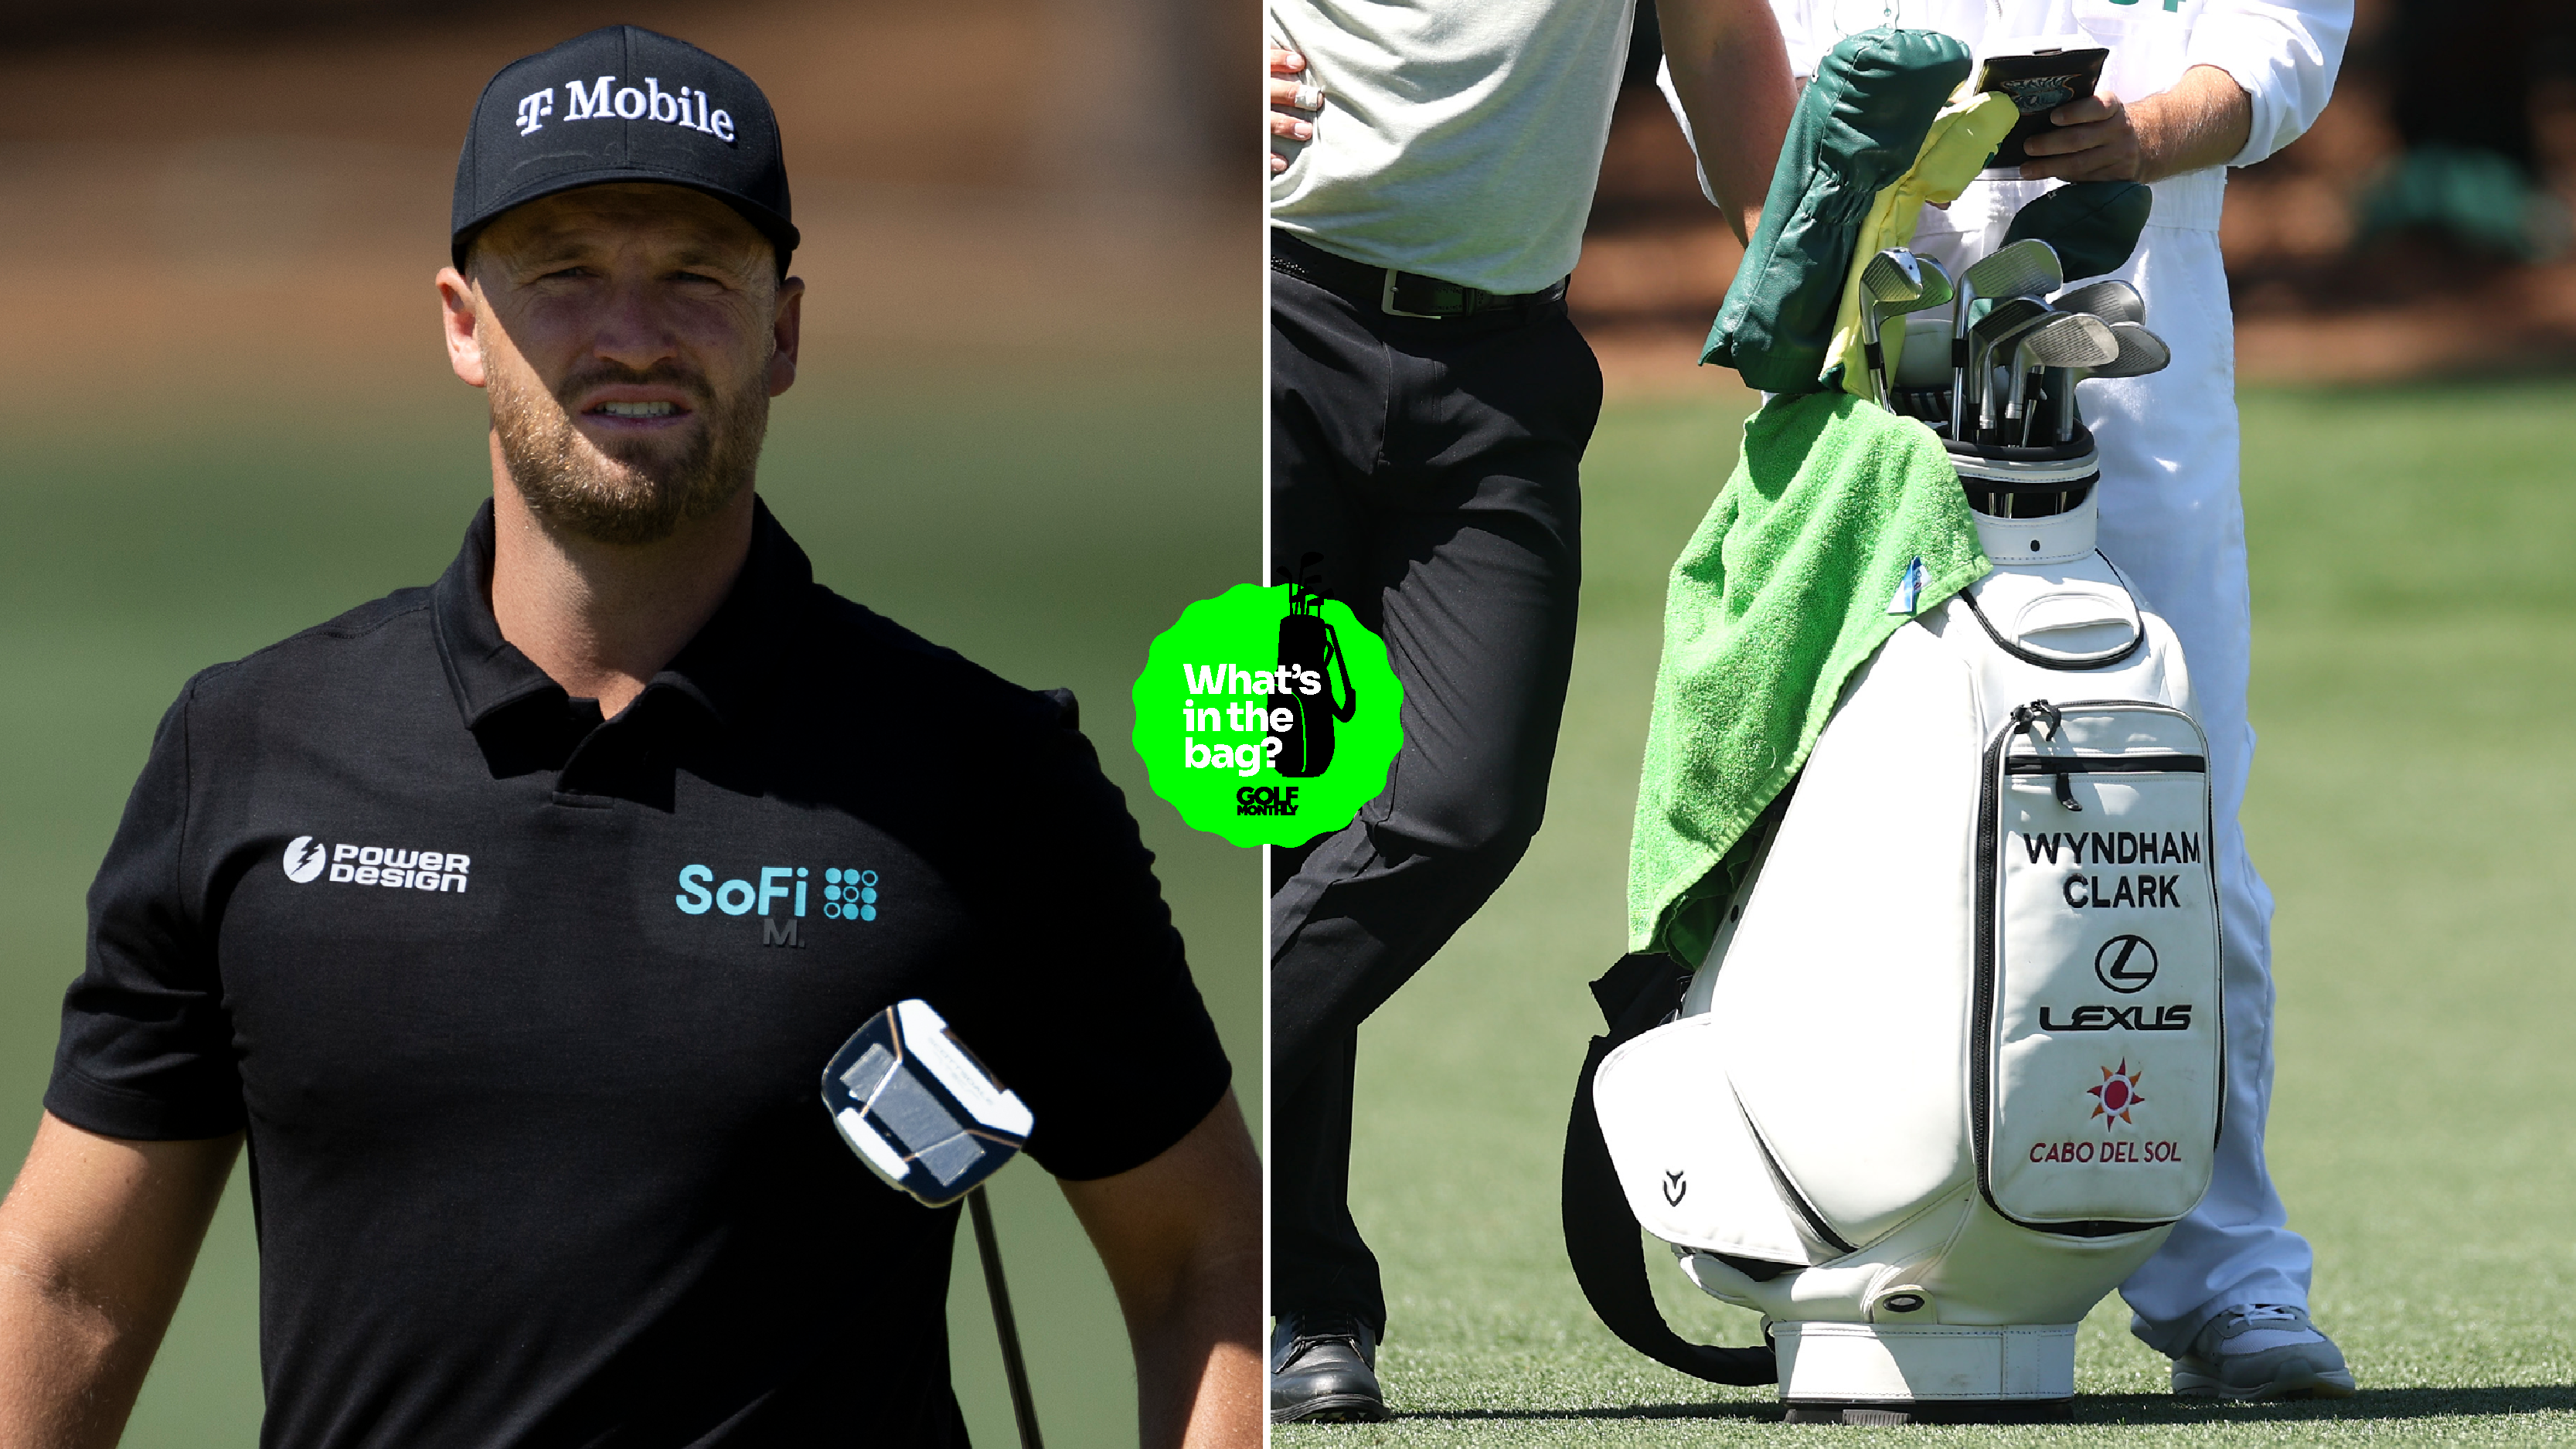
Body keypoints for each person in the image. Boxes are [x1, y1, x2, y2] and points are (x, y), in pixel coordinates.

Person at [0, 26, 1259, 1447]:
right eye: (566, 275)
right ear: (464, 322)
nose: (633, 334)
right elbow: (68, 1277)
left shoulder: (982, 776)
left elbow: (1207, 1256)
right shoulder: (248, 749)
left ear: (783, 330)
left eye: (694, 276)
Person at [1748, 0, 2355, 1401]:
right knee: (1841, 814)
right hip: (1861, 350)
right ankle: (1839, 1230)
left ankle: (2225, 1274)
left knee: (2172, 808)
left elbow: (2282, 46)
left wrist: (2139, 135)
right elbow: (1726, 53)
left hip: (2130, 352)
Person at [1262, 0, 1795, 1422]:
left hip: (1500, 379)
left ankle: (1152, 1052)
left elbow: (1725, 45)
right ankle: (1304, 1298)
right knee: (1276, 800)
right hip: (1271, 337)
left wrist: (1809, 282)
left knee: (1459, 807)